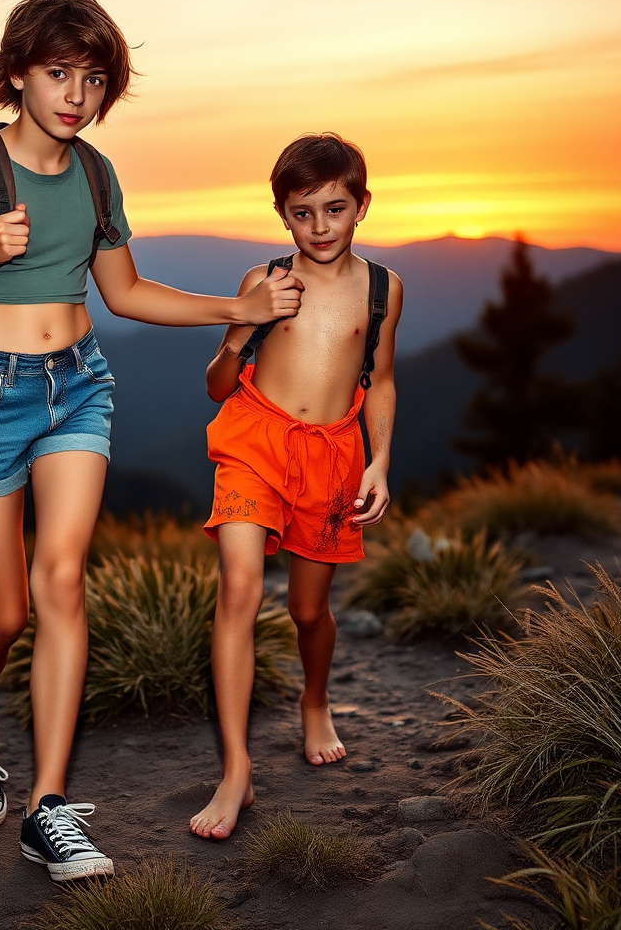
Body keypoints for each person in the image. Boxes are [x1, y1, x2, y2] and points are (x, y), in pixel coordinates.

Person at [0, 0, 304, 883]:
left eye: (94, 78)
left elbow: (124, 292)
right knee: (5, 612)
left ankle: (47, 806)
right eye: (58, 72)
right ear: (19, 76)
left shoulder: (94, 173)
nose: (76, 93)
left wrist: (236, 306)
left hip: (78, 388)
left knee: (64, 579)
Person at [189, 133, 403, 841]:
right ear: (283, 215)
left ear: (361, 206)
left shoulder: (383, 290)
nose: (319, 227)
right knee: (241, 588)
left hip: (334, 458)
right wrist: (242, 323)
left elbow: (381, 378)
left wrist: (378, 461)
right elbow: (219, 383)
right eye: (303, 212)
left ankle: (315, 701)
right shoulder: (265, 279)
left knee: (311, 612)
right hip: (255, 442)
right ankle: (237, 769)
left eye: (334, 209)